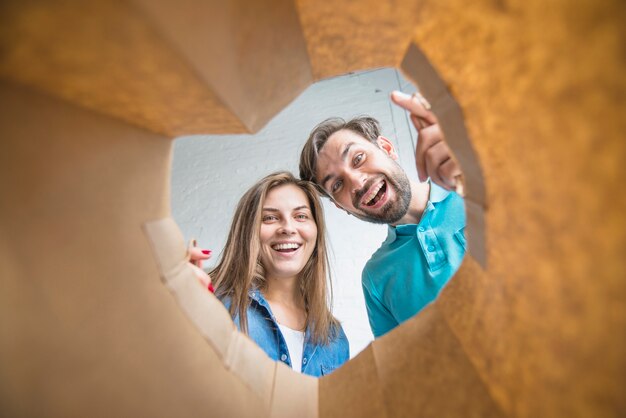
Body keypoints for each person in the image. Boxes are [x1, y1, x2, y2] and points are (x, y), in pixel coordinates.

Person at [299, 91, 466, 338]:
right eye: (337, 185)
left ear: (387, 148)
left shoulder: (475, 190)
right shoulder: (376, 278)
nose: (357, 182)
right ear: (340, 206)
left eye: (358, 158)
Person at [190, 171, 349, 377]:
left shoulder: (334, 339)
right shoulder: (212, 303)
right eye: (270, 218)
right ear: (248, 231)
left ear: (316, 230)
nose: (288, 228)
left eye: (301, 216)